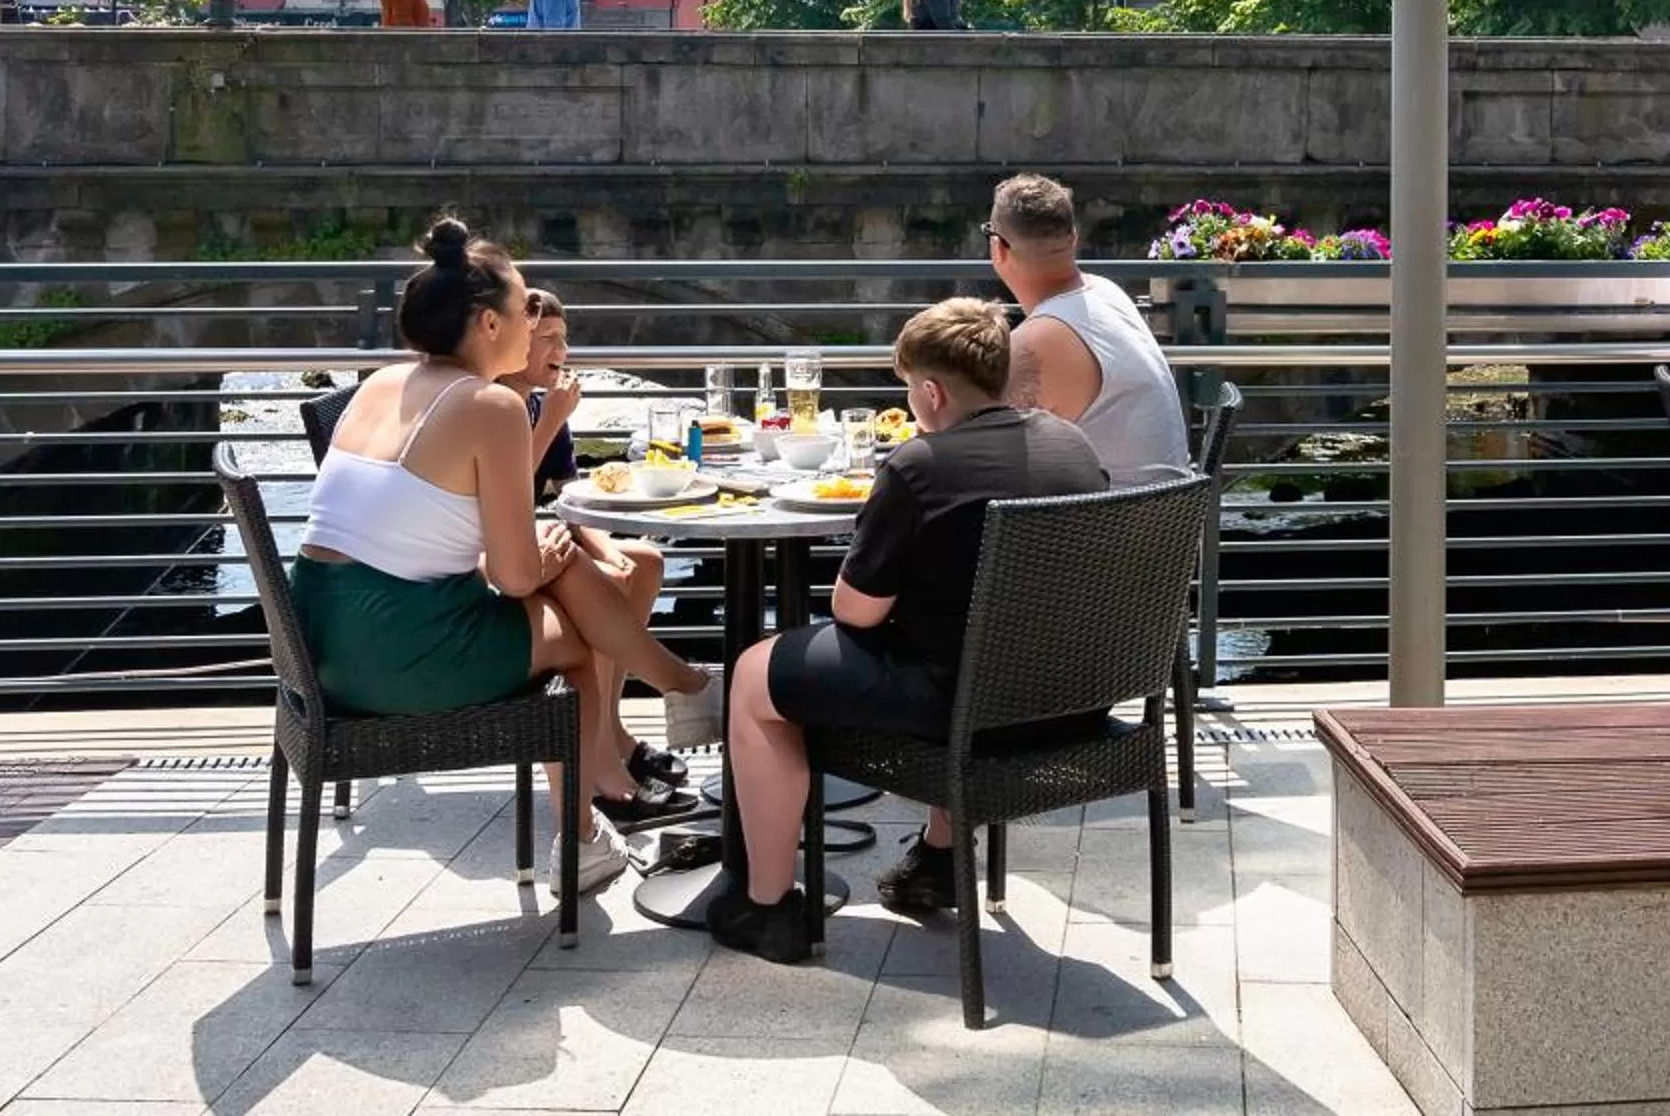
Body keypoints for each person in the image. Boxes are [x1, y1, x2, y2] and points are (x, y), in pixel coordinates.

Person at [289, 219, 717, 892]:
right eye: (523, 312)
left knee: (563, 567)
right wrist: (546, 559)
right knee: (573, 636)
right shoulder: (491, 406)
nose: (530, 325)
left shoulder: (379, 385)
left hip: (319, 646)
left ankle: (678, 690)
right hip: (399, 653)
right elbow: (515, 574)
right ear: (488, 324)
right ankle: (591, 826)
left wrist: (546, 559)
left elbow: (438, 537)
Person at [710, 297, 1107, 961]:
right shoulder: (1073, 443)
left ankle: (768, 904)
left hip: (967, 711)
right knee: (970, 645)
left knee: (755, 675)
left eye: (908, 392)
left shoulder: (920, 466)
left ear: (929, 391)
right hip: (1075, 701)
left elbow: (855, 612)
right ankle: (937, 861)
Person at [495, 289, 691, 812]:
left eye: (565, 337)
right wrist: (551, 420)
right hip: (500, 565)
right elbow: (507, 490)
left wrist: (611, 551)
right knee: (604, 589)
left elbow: (567, 495)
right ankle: (603, 761)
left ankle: (615, 732)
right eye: (547, 338)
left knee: (642, 563)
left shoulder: (539, 399)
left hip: (539, 541)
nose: (561, 349)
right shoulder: (498, 405)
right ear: (512, 341)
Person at [989, 172, 1188, 484]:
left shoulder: (1036, 343)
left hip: (1104, 526)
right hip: (1167, 522)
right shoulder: (1106, 293)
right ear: (1074, 237)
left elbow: (982, 453)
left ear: (998, 249)